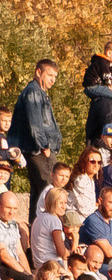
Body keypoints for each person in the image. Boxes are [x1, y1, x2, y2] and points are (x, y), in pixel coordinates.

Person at [8, 59, 61, 197]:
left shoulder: (38, 92)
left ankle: (35, 219)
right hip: (39, 152)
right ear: (39, 72)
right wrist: (45, 147)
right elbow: (35, 124)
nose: (53, 80)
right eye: (50, 75)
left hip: (38, 151)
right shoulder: (34, 92)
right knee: (50, 192)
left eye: (55, 77)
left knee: (39, 195)